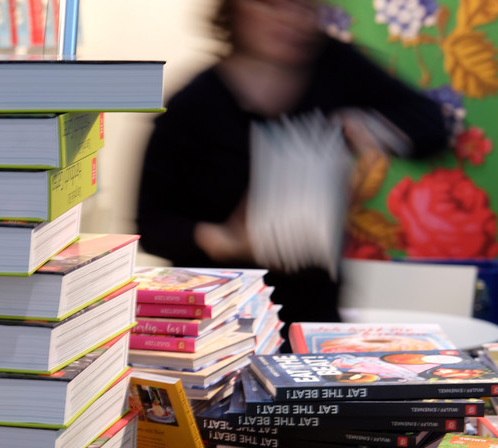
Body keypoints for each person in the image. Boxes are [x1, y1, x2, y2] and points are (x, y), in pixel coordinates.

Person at [136, 0, 448, 332]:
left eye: (305, 7)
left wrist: (367, 127)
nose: (291, 20)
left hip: (313, 314)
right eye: (272, 5)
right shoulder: (193, 104)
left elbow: (433, 128)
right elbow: (151, 226)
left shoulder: (336, 66)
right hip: (219, 321)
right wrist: (222, 240)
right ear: (234, 9)